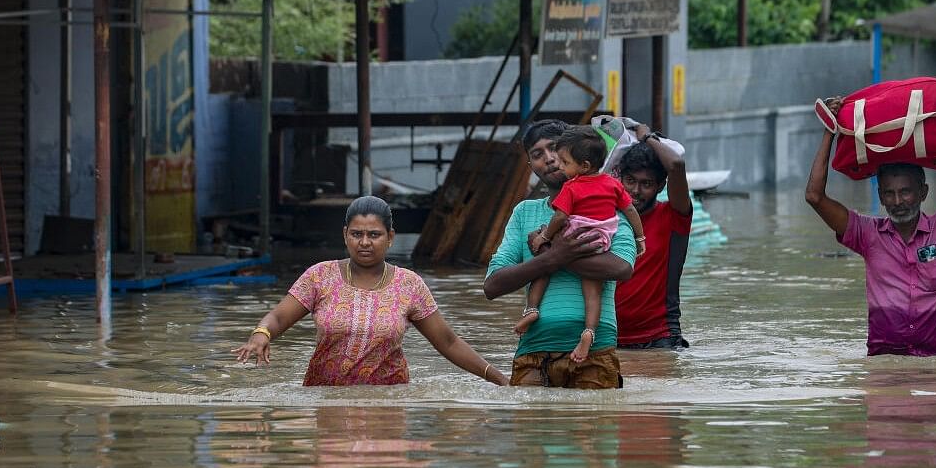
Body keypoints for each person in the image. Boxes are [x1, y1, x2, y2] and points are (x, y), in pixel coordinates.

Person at [235, 196, 508, 386]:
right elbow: (279, 318)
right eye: (356, 234)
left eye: (374, 235)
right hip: (326, 398)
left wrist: (500, 380)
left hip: (388, 403)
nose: (364, 242)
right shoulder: (320, 275)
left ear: (390, 237)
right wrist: (261, 334)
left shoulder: (409, 284)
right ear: (345, 235)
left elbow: (447, 342)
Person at [805, 84, 936, 356]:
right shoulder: (867, 235)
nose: (897, 202)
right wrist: (829, 130)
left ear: (923, 192)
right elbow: (814, 197)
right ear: (881, 196)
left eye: (905, 192)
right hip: (884, 365)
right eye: (889, 193)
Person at [484, 120, 637, 389]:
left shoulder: (608, 205)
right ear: (531, 167)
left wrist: (552, 252)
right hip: (533, 351)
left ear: (576, 153)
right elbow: (493, 285)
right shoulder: (524, 213)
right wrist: (551, 258)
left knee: (592, 429)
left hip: (595, 351)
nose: (550, 159)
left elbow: (622, 268)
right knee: (531, 426)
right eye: (537, 154)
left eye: (554, 148)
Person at [515, 126, 646, 362]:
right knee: (592, 292)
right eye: (538, 154)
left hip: (573, 233)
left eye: (564, 161)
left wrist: (546, 242)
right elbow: (630, 209)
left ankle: (532, 310)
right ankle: (589, 332)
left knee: (543, 269)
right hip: (600, 239)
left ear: (583, 166)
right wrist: (640, 238)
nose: (557, 164)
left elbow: (560, 217)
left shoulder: (572, 187)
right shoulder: (612, 184)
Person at [611, 124, 694, 349]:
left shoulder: (673, 217)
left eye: (646, 184)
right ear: (620, 180)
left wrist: (646, 136)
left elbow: (676, 165)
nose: (636, 191)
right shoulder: (607, 220)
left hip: (659, 337)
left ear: (660, 186)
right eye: (630, 181)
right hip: (608, 337)